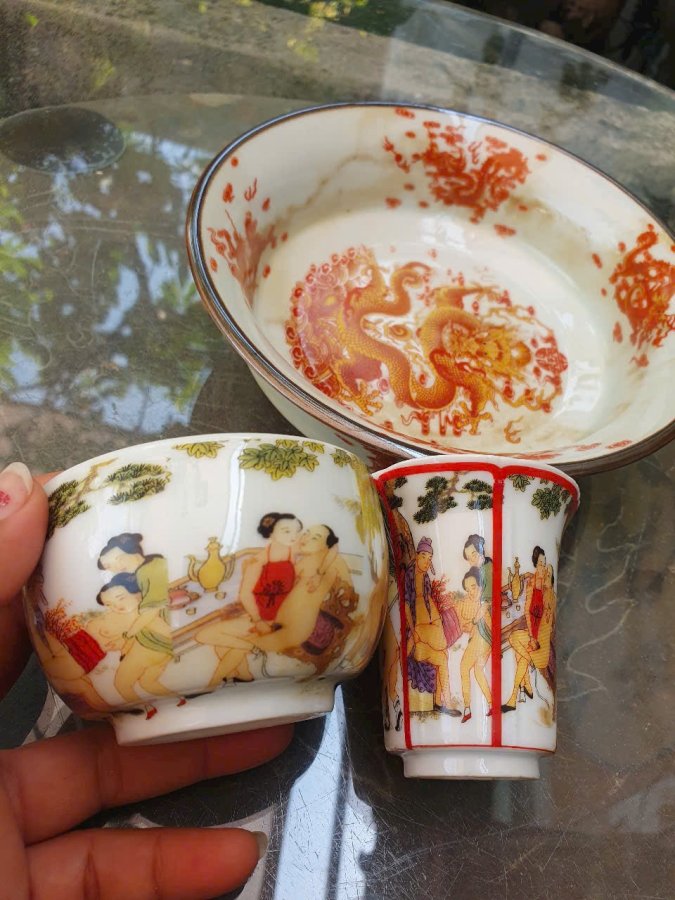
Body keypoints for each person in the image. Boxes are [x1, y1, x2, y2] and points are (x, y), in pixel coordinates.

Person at [0, 462, 292, 897]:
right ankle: (171, 695)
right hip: (149, 644)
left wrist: (131, 625)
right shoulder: (138, 576)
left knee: (132, 676)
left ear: (123, 557)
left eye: (111, 561)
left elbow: (153, 608)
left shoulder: (150, 570)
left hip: (156, 633)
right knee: (130, 674)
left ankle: (172, 692)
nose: (110, 565)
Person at [97, 533, 175, 718]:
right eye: (109, 566)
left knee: (121, 683)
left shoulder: (150, 569)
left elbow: (152, 611)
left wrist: (130, 634)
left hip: (157, 638)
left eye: (119, 559)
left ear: (131, 550)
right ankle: (178, 702)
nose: (116, 567)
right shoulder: (143, 572)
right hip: (153, 637)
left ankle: (147, 711)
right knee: (147, 682)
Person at [403, 537, 457, 716]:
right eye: (424, 556)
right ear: (417, 555)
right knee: (443, 647)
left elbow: (429, 602)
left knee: (443, 657)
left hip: (427, 632)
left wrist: (438, 622)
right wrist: (414, 632)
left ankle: (442, 702)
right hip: (418, 633)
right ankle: (443, 702)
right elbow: (406, 605)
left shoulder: (425, 577)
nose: (427, 561)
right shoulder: (409, 576)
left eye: (430, 558)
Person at [458, 568, 493, 723]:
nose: (471, 592)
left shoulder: (484, 599)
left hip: (484, 638)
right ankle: (491, 703)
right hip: (482, 640)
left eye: (473, 587)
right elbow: (464, 626)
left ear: (480, 585)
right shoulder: (470, 602)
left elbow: (479, 615)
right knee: (478, 671)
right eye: (467, 589)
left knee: (464, 667)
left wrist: (471, 622)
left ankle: (467, 708)